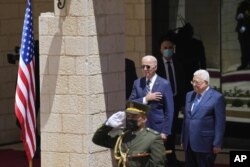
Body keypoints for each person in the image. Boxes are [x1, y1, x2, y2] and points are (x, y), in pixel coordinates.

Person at [129, 55, 174, 162]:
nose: (145, 69)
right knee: (141, 159)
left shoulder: (164, 84)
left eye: (148, 67)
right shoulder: (138, 83)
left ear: (155, 67)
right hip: (140, 129)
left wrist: (165, 132)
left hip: (157, 129)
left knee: (156, 159)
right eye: (142, 66)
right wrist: (146, 98)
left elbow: (170, 110)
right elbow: (130, 103)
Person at [92, 101, 166, 167]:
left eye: (134, 116)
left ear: (144, 119)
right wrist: (107, 125)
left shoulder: (152, 138)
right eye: (128, 116)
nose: (130, 119)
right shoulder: (122, 136)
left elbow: (157, 164)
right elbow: (97, 140)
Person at [181, 69, 226, 167]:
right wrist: (183, 139)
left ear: (205, 83)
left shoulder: (216, 97)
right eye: (193, 81)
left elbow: (220, 123)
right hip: (189, 143)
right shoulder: (189, 95)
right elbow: (186, 119)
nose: (193, 84)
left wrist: (217, 143)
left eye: (196, 82)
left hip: (205, 144)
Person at [156, 34, 185, 166]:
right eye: (165, 47)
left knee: (172, 132)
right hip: (161, 105)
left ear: (173, 49)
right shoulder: (156, 67)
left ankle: (172, 158)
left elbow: (182, 85)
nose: (168, 49)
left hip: (175, 103)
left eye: (170, 47)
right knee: (162, 133)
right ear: (161, 50)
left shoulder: (178, 64)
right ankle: (162, 159)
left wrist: (182, 104)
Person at [175, 23, 206, 93]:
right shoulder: (181, 43)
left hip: (190, 72)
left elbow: (203, 60)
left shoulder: (180, 43)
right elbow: (203, 61)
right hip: (185, 73)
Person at [235, 0, 250, 70]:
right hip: (241, 31)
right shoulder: (240, 6)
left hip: (248, 29)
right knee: (243, 48)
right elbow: (236, 17)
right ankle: (244, 64)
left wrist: (244, 26)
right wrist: (239, 16)